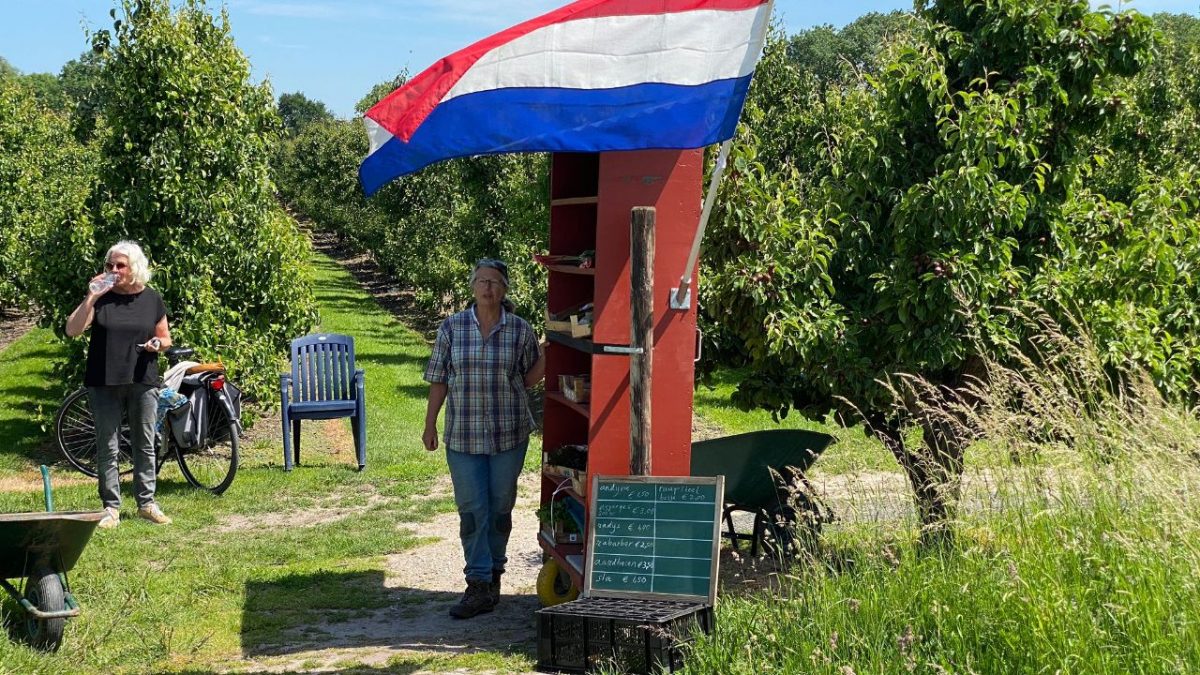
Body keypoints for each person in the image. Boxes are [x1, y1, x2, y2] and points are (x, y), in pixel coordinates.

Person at [422, 258, 545, 619]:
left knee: (500, 506)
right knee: (472, 509)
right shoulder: (453, 328)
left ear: (504, 289)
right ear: (472, 287)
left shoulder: (520, 330)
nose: (488, 288)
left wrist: (550, 353)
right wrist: (430, 424)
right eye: (482, 281)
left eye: (494, 282)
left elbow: (527, 378)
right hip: (463, 434)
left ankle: (494, 574)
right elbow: (439, 379)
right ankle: (477, 583)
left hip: (509, 433)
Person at [66, 240, 173, 528]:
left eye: (120, 265)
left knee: (144, 444)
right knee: (108, 446)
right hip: (103, 380)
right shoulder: (101, 298)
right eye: (109, 265)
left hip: (142, 379)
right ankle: (111, 508)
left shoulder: (151, 298)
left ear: (133, 268)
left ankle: (146, 503)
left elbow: (166, 338)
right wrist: (91, 296)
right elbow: (73, 330)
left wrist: (156, 344)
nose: (114, 270)